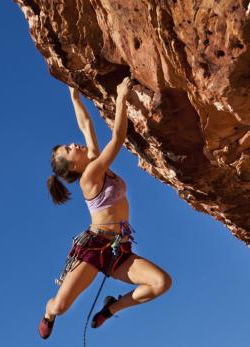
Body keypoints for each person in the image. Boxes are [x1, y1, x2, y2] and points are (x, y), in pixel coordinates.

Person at [38, 78, 172, 340]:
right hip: (94, 248)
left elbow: (86, 125)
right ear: (73, 168)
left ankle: (112, 308)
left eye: (69, 143)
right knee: (62, 306)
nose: (74, 144)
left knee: (161, 283)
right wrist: (121, 96)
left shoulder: (96, 163)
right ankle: (48, 311)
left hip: (119, 249)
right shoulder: (89, 177)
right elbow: (119, 138)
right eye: (69, 150)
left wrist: (74, 97)